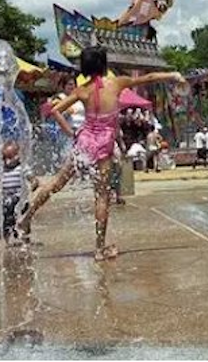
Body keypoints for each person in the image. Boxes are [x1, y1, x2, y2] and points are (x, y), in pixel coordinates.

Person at [18, 46, 185, 262]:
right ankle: (99, 248)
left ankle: (27, 218)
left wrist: (70, 132)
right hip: (104, 143)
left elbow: (55, 110)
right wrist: (173, 75)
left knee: (56, 183)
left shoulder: (82, 90)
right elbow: (149, 77)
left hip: (84, 142)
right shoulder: (117, 83)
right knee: (102, 195)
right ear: (104, 64)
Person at [0, 141, 31, 245]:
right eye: (4, 158)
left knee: (22, 221)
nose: (7, 161)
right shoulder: (1, 169)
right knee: (2, 218)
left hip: (19, 200)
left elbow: (32, 179)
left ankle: (25, 241)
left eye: (10, 157)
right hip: (6, 200)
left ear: (18, 156)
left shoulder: (22, 168)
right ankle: (4, 241)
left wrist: (34, 184)